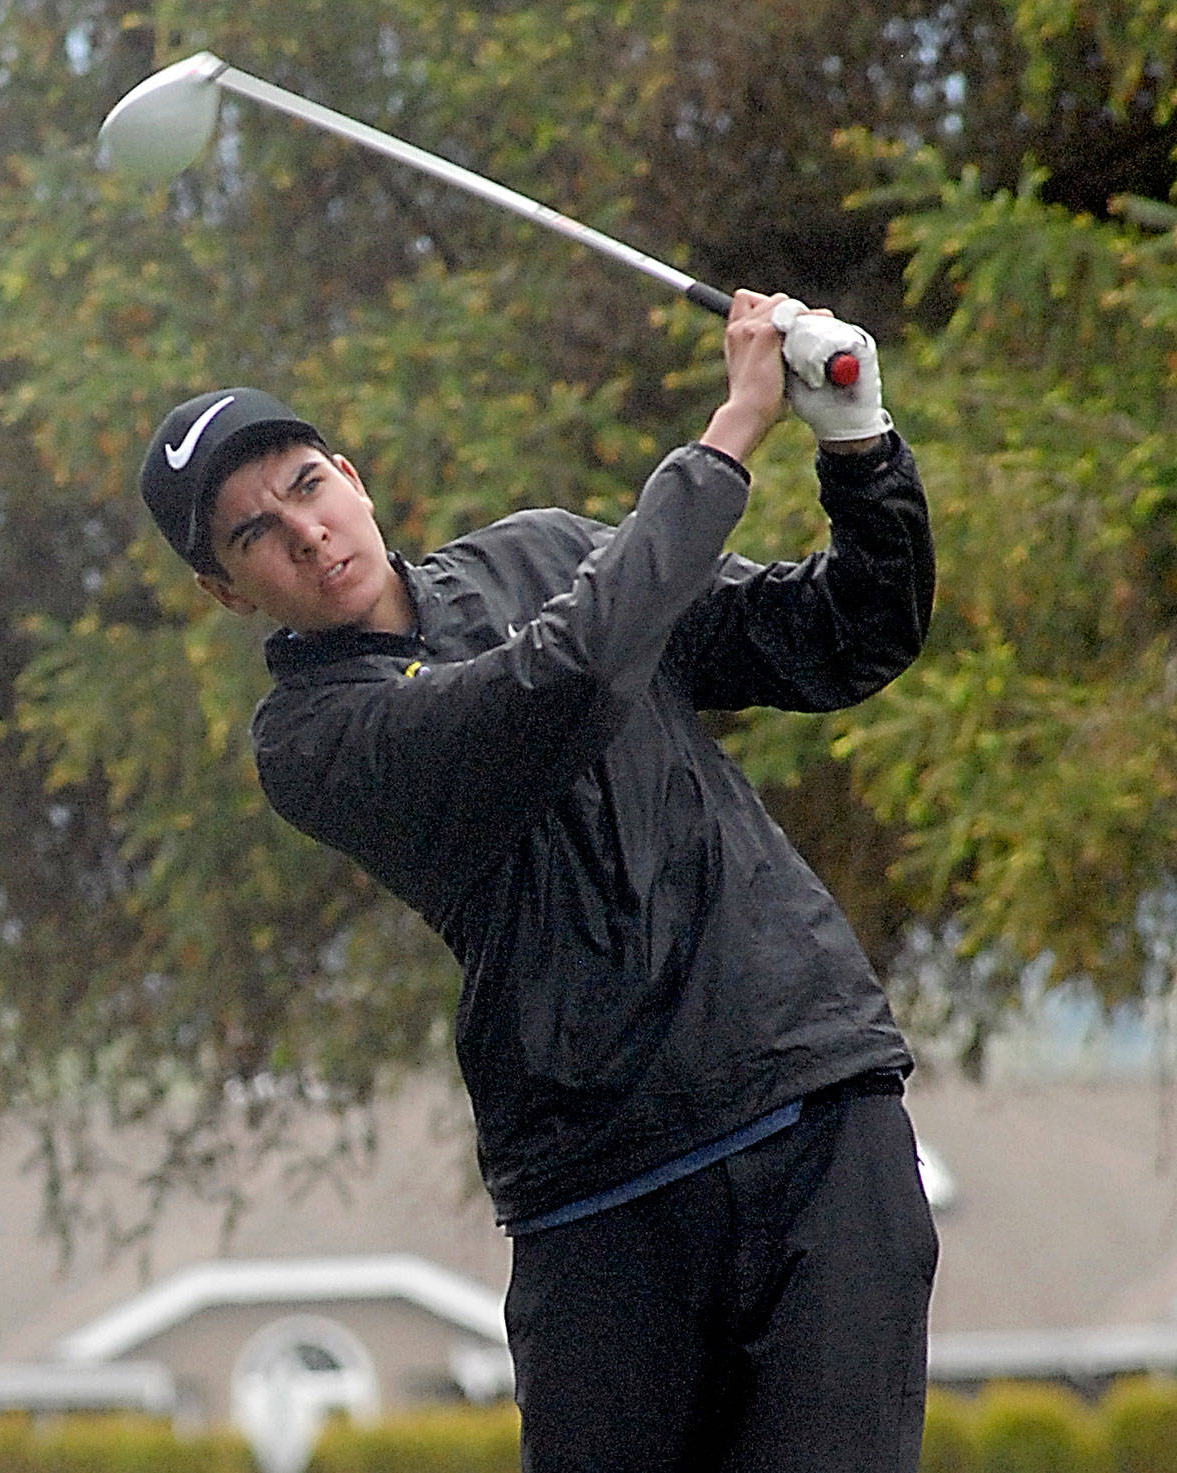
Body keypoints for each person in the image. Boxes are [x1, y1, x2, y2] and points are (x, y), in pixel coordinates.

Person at [139, 289, 938, 1472]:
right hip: (603, 1199)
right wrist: (730, 433)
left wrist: (857, 445)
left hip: (810, 1118)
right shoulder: (311, 743)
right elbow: (552, 688)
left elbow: (841, 636)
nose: (304, 533)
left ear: (351, 477)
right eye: (253, 533)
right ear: (226, 589)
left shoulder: (550, 553)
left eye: (305, 485)